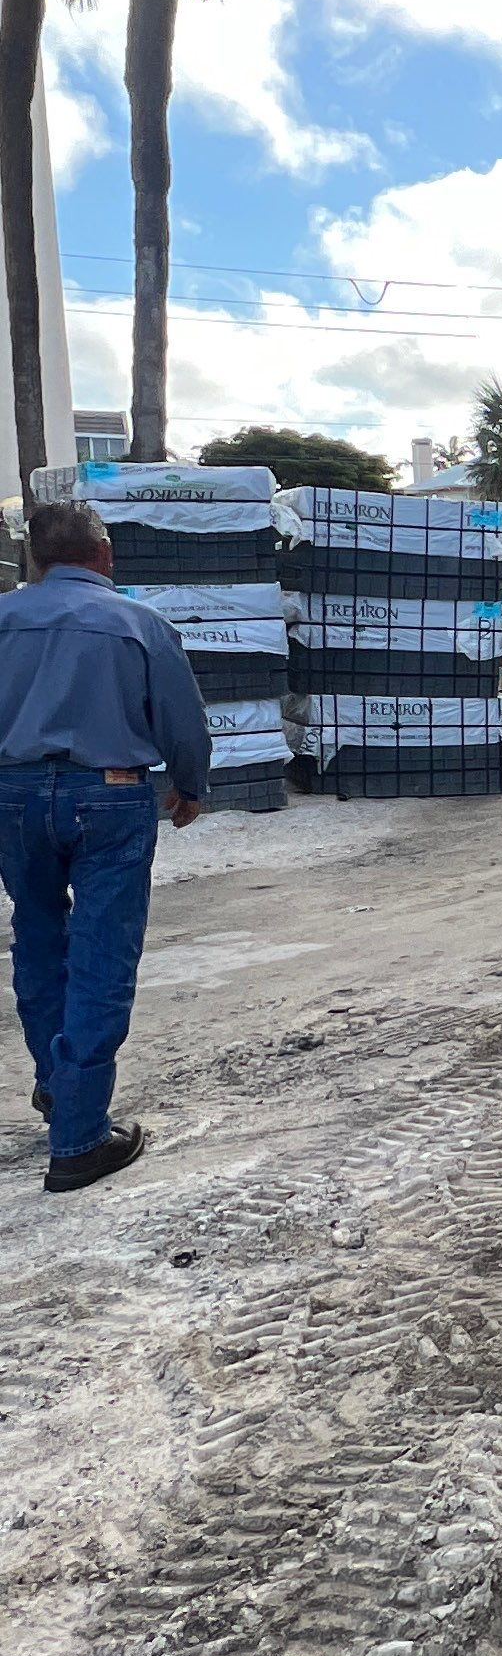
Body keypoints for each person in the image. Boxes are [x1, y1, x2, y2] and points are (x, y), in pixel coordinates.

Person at [0, 495, 211, 1193]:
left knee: (36, 937)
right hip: (111, 793)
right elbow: (181, 719)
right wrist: (188, 784)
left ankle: (58, 1089)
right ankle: (80, 1137)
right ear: (105, 553)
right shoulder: (138, 624)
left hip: (14, 794)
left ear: (36, 556)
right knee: (100, 956)